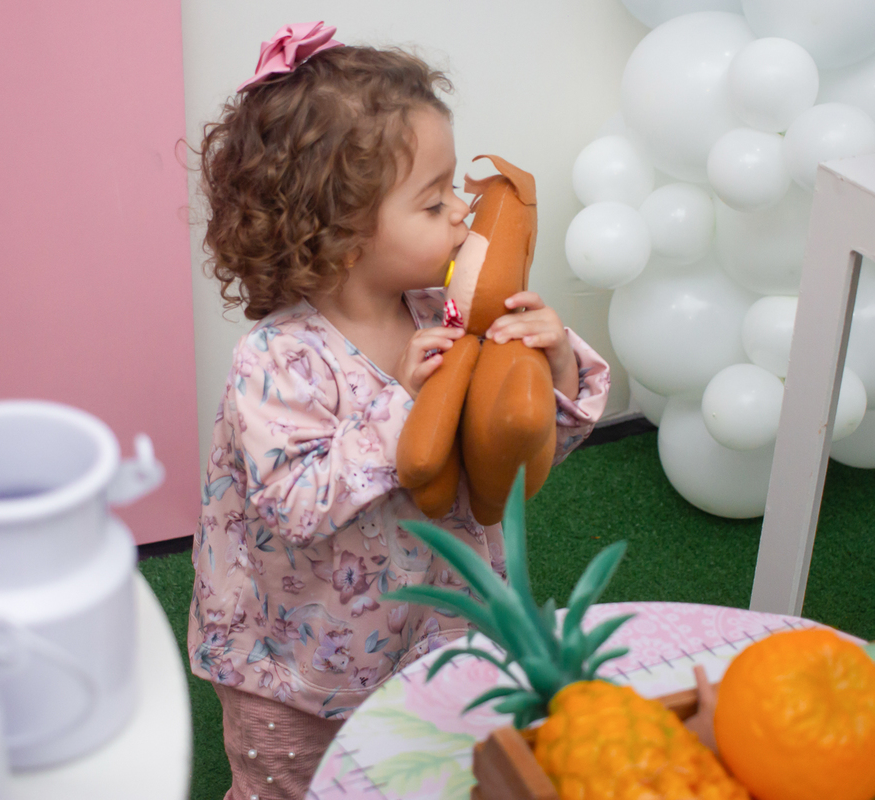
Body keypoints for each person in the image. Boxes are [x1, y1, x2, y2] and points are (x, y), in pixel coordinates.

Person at [189, 21, 611, 800]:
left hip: (437, 636)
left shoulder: (447, 313)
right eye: (432, 200)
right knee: (299, 788)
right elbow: (291, 506)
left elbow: (512, 450)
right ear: (341, 233)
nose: (461, 213)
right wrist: (398, 409)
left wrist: (550, 361)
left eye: (454, 188)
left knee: (431, 773)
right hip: (300, 667)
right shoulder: (277, 362)